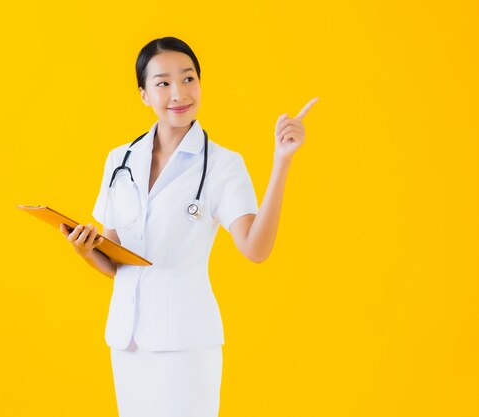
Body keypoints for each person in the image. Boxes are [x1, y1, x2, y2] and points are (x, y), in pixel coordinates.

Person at [60, 36, 318, 417]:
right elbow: (116, 260)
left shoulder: (222, 164)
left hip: (186, 343)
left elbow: (255, 248)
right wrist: (85, 250)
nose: (178, 93)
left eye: (188, 79)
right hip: (127, 342)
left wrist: (281, 163)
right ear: (144, 94)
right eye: (163, 83)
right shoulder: (120, 160)